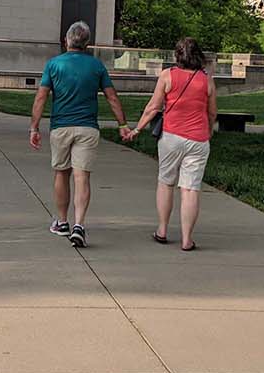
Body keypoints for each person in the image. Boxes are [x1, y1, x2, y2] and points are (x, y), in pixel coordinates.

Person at [30, 21, 131, 249]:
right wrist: (122, 123)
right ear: (87, 43)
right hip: (87, 128)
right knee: (82, 177)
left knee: (61, 174)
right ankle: (80, 225)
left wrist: (34, 127)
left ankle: (63, 221)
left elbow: (41, 97)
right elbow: (112, 97)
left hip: (61, 127)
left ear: (67, 40)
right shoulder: (96, 66)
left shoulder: (53, 65)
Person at [123, 36, 216, 251]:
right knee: (190, 189)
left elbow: (153, 107)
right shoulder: (206, 80)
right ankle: (187, 239)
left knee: (166, 182)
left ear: (177, 55)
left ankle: (162, 230)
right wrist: (208, 130)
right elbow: (212, 112)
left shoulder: (167, 76)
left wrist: (137, 129)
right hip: (198, 139)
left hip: (171, 137)